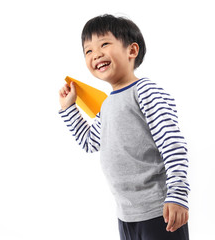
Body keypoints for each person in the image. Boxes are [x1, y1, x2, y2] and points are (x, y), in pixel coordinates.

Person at [58, 14, 190, 240]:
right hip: (126, 215)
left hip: (159, 211)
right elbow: (90, 143)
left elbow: (172, 144)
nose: (96, 54)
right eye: (88, 50)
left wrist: (177, 195)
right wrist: (69, 108)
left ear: (132, 51)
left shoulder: (145, 91)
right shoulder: (107, 104)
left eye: (104, 44)